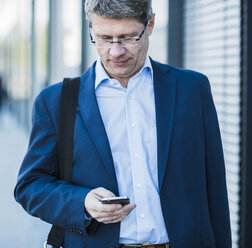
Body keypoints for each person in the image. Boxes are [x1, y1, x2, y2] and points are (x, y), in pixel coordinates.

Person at [14, 0, 232, 247]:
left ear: (149, 24)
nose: (115, 51)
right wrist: (82, 201)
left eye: (128, 38)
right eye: (104, 38)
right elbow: (30, 186)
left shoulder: (193, 90)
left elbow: (215, 188)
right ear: (90, 30)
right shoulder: (55, 102)